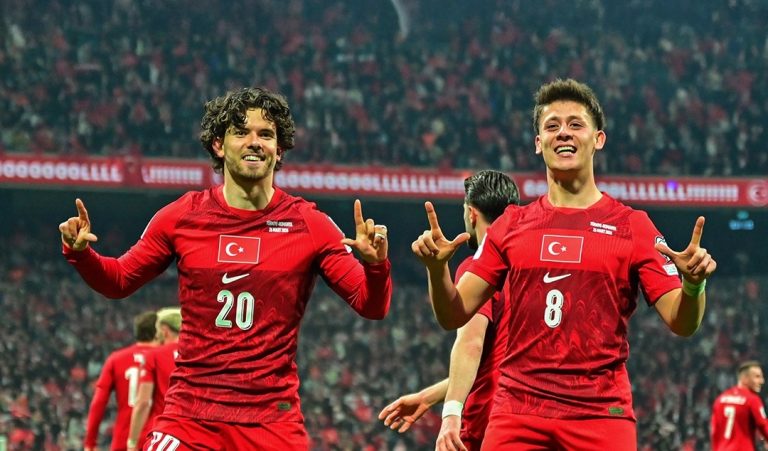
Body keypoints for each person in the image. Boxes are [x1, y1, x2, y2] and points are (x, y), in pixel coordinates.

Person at [60, 86, 393, 450]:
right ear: (219, 145)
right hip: (190, 417)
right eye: (241, 132)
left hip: (270, 421)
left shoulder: (310, 225)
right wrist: (81, 254)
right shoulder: (181, 216)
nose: (255, 143)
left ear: (279, 149)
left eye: (266, 135)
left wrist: (376, 266)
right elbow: (119, 281)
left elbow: (371, 305)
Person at [411, 78, 717, 450]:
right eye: (552, 125)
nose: (563, 133)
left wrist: (693, 284)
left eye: (575, 124)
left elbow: (683, 323)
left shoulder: (632, 226)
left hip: (600, 413)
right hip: (518, 413)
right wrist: (436, 270)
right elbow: (453, 315)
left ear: (598, 139)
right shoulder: (511, 225)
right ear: (538, 143)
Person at [378, 170, 519, 451]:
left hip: (487, 426)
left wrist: (451, 414)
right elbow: (492, 363)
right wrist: (428, 396)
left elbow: (471, 344)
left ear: (471, 214)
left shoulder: (479, 270)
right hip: (528, 420)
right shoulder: (528, 268)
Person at [84, 311, 158, 451]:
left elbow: (98, 402)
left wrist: (90, 443)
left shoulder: (116, 359)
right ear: (158, 332)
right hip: (158, 440)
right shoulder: (167, 359)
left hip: (124, 440)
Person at [126, 307, 183, 451]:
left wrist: (132, 442)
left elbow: (143, 402)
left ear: (164, 330)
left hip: (162, 433)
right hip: (191, 433)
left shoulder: (153, 356)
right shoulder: (197, 354)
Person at [711, 361, 768, 451]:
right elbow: (764, 426)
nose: (762, 381)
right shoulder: (752, 399)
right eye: (757, 377)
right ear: (745, 378)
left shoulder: (720, 399)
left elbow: (714, 431)